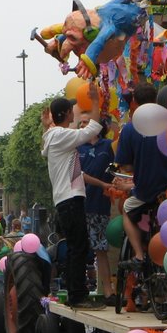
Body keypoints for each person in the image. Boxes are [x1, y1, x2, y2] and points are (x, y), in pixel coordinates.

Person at [41, 90, 105, 310]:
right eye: (71, 110)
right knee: (79, 247)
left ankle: (73, 290)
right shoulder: (61, 136)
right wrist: (96, 102)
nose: (74, 113)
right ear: (66, 113)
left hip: (64, 199)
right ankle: (78, 295)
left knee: (75, 246)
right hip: (70, 197)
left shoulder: (53, 135)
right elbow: (93, 129)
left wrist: (47, 125)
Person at [113, 82, 167, 263]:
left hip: (146, 191)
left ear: (135, 102)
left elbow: (126, 167)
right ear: (157, 99)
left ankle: (139, 255)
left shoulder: (129, 129)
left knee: (128, 209)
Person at [77, 112, 116, 306]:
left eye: (86, 122)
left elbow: (115, 168)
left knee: (101, 248)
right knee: (80, 248)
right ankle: (80, 288)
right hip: (80, 203)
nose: (83, 126)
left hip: (100, 204)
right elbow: (78, 174)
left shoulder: (107, 146)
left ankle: (108, 291)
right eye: (81, 123)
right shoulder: (77, 148)